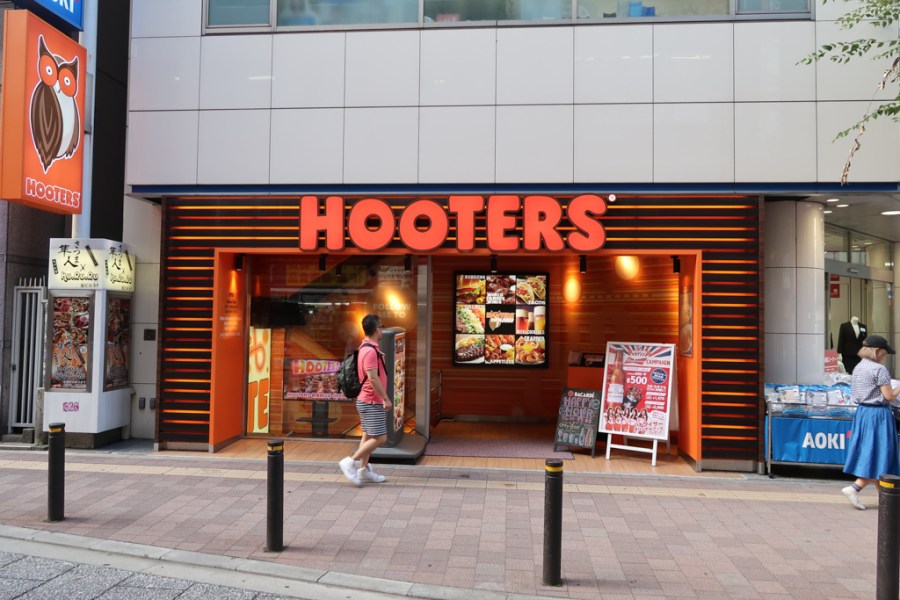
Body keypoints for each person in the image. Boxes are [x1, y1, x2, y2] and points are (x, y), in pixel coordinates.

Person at [841, 335, 900, 510]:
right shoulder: (879, 370)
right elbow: (889, 396)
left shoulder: (858, 367)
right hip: (878, 415)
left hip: (863, 413)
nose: (885, 356)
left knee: (874, 453)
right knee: (883, 453)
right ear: (877, 351)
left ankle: (886, 500)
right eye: (884, 353)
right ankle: (855, 488)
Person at [338, 314, 392, 485]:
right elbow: (372, 378)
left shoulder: (367, 347)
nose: (382, 330)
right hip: (371, 401)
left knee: (367, 436)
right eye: (381, 327)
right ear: (376, 329)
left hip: (367, 400)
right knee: (381, 438)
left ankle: (362, 471)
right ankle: (350, 462)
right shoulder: (369, 351)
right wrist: (385, 398)